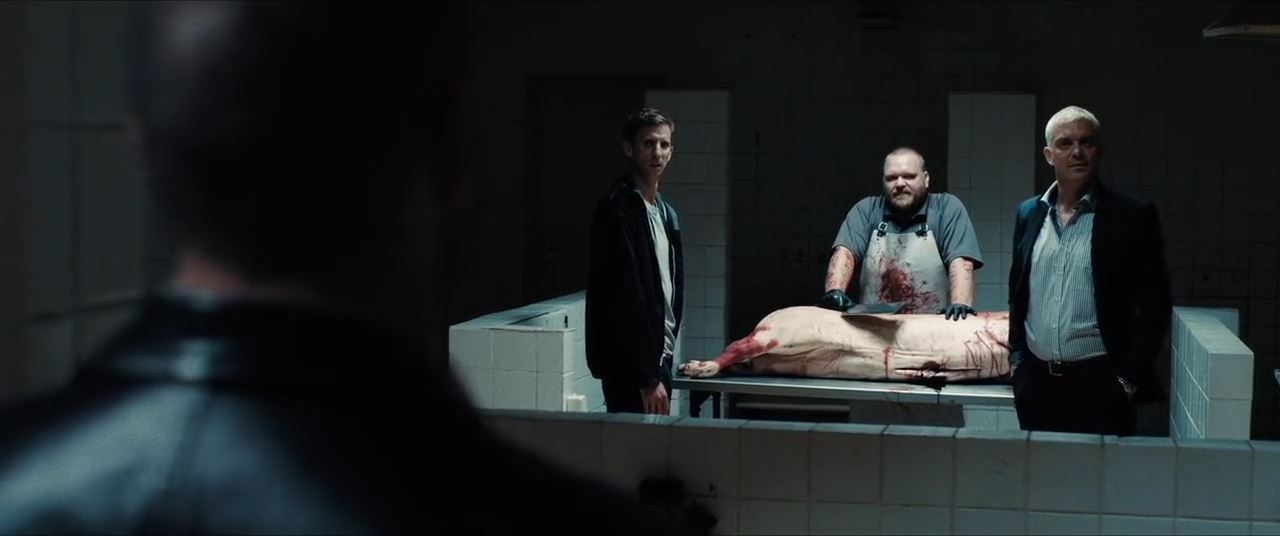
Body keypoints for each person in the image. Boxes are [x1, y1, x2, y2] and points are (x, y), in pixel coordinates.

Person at [0, 4, 701, 534]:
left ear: (146, 159)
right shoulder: (567, 521)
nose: (659, 153)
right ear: (455, 158)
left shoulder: (21, 489)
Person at [1007, 105, 1172, 436]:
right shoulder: (1029, 213)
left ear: (1099, 150)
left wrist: (1127, 380)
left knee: (1099, 472)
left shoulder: (1131, 216)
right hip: (1036, 383)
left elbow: (1156, 305)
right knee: (1040, 468)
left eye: (1087, 142)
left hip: (1101, 384)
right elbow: (1018, 292)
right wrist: (1017, 363)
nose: (1077, 152)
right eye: (1065, 143)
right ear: (1049, 155)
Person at [585, 108, 684, 415]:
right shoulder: (618, 209)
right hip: (633, 369)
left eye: (664, 144)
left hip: (659, 357)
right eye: (648, 143)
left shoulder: (665, 212)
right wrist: (646, 377)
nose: (658, 152)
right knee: (632, 443)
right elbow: (625, 296)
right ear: (629, 149)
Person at [818, 147, 984, 320]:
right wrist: (834, 292)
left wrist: (960, 304)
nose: (899, 184)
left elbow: (961, 261)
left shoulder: (946, 208)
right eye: (891, 178)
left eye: (909, 176)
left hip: (932, 328)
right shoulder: (866, 210)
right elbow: (844, 252)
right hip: (873, 327)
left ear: (926, 179)